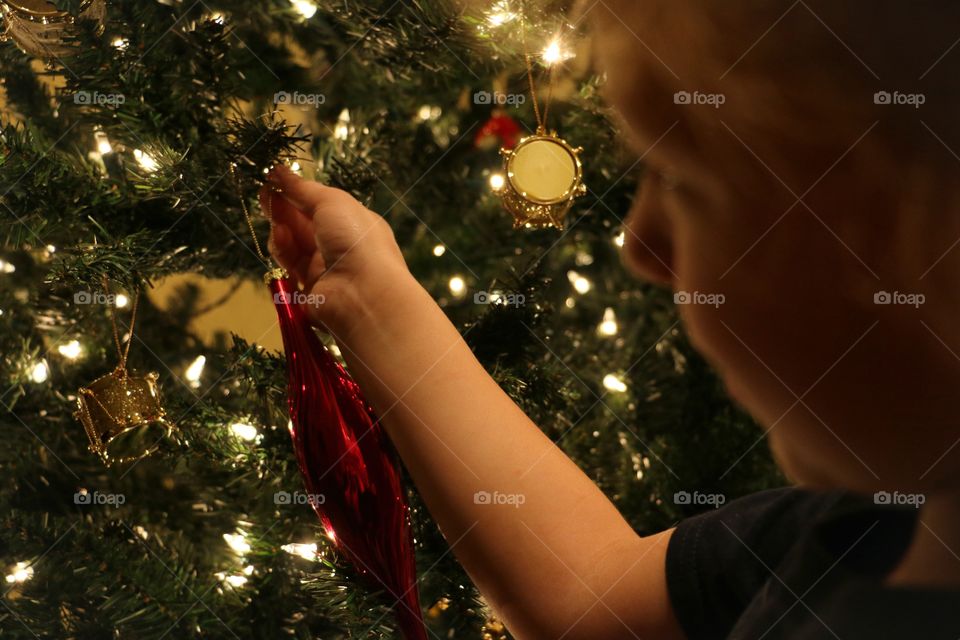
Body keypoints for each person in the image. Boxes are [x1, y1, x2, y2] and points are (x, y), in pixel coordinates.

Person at [261, 1, 960, 637]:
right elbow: (592, 597)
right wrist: (368, 301)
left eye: (683, 176)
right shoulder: (864, 527)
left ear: (919, 244)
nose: (639, 243)